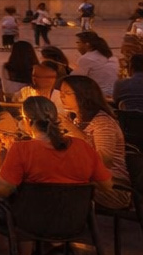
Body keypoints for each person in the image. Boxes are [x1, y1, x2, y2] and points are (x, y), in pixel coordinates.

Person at [0, 96, 112, 255]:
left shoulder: (22, 150)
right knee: (32, 202)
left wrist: (0, 162)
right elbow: (107, 185)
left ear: (27, 121)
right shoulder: (82, 147)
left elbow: (1, 190)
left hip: (30, 222)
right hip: (74, 221)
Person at [57, 74, 133, 210]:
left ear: (83, 95)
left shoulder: (103, 123)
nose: (62, 97)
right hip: (85, 179)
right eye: (61, 93)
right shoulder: (77, 121)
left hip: (112, 186)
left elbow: (104, 161)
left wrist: (74, 131)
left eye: (67, 93)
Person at [73, 31, 119, 98]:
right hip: (114, 93)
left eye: (78, 43)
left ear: (87, 44)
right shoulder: (109, 56)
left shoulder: (85, 59)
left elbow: (75, 79)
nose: (77, 46)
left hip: (98, 95)